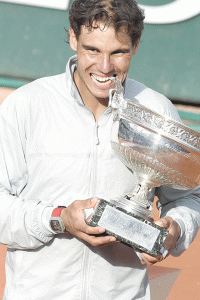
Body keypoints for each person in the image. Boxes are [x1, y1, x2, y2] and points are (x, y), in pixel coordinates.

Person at [0, 0, 200, 299]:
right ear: (72, 37)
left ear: (135, 45)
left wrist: (177, 229)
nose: (105, 68)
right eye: (92, 50)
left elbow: (186, 198)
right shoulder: (27, 105)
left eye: (118, 52)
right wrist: (59, 218)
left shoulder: (156, 110)